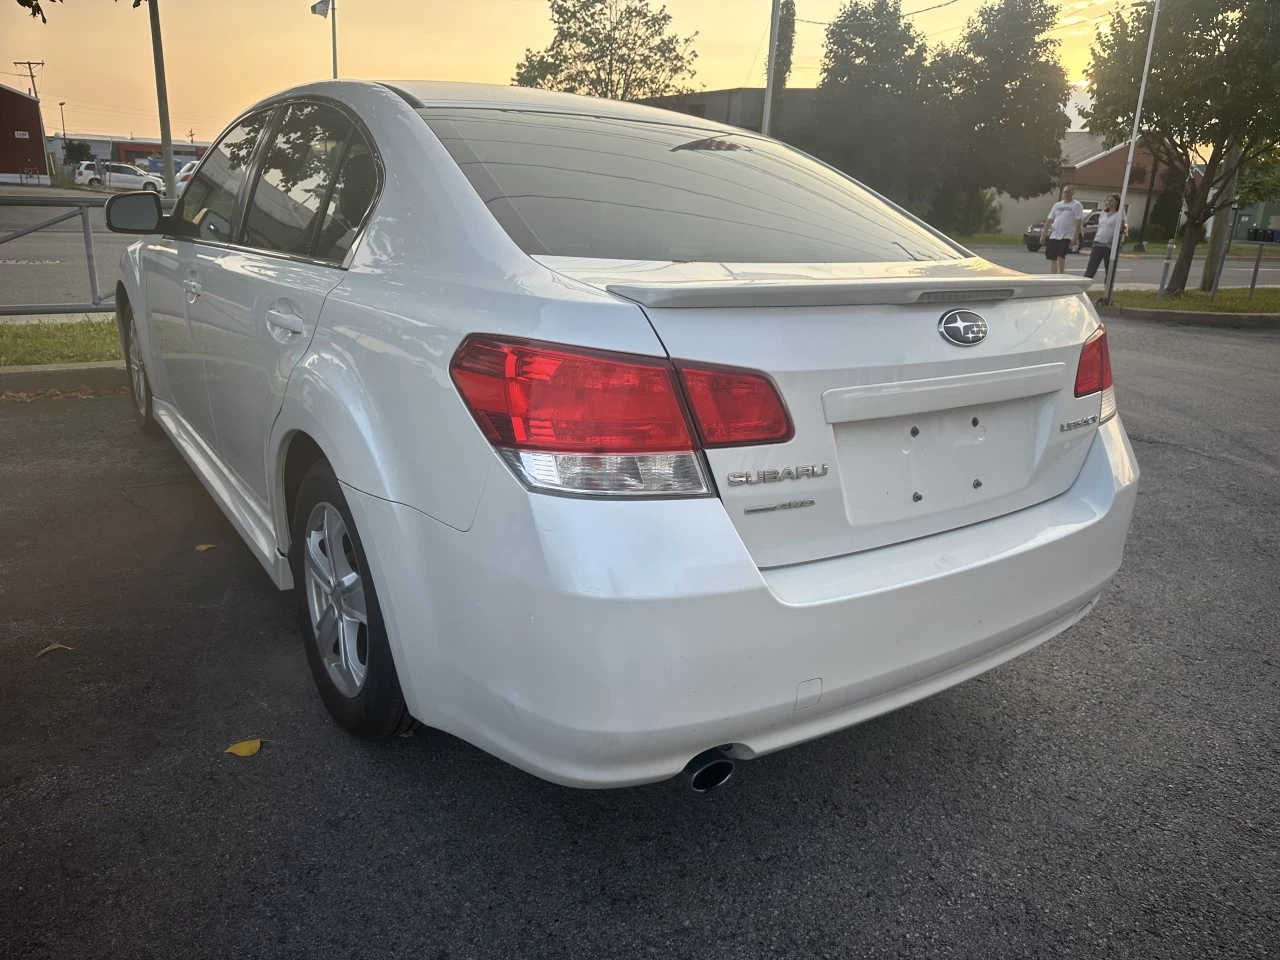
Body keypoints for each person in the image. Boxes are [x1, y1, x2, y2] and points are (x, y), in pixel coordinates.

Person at [1040, 185, 1084, 274]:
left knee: (1061, 255)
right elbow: (1049, 220)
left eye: (1068, 192)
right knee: (1052, 257)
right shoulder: (1057, 205)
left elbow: (1078, 221)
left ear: (1072, 193)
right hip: (1055, 234)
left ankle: (1061, 274)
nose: (1066, 194)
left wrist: (1075, 237)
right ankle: (1053, 275)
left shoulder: (1076, 205)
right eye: (1065, 192)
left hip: (1067, 235)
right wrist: (1043, 235)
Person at [1085, 193, 1128, 281]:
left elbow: (1122, 228)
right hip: (1098, 242)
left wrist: (1114, 239)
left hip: (1110, 245)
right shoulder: (1103, 213)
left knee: (1109, 269)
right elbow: (1100, 227)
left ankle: (1107, 290)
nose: (1108, 202)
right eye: (1107, 200)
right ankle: (1083, 287)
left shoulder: (1120, 213)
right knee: (1091, 267)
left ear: (1117, 202)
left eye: (1111, 200)